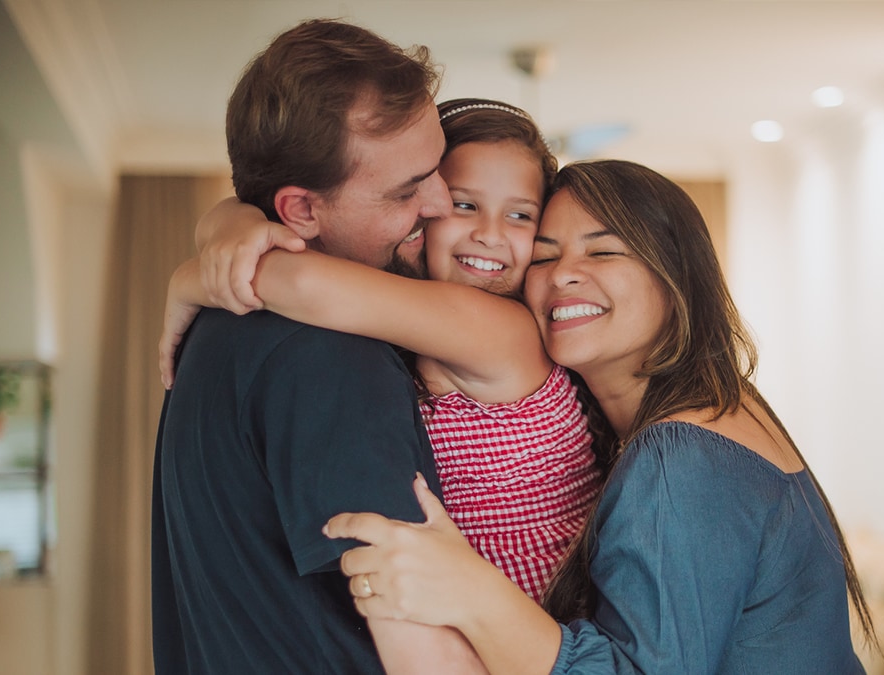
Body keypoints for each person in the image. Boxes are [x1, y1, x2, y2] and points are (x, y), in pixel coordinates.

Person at [324, 160, 876, 673]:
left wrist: (469, 588)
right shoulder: (722, 408)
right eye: (544, 256)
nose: (563, 275)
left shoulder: (682, 454)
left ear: (675, 274)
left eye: (603, 252)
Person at [159, 99, 603, 602]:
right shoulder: (411, 329)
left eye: (520, 215)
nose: (490, 234)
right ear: (424, 207)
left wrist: (191, 277)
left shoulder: (505, 331)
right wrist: (228, 221)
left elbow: (305, 283)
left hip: (541, 632)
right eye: (464, 204)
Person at [151, 19, 485, 674]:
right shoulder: (332, 356)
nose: (443, 204)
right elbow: (426, 651)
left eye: (436, 169)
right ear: (300, 209)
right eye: (406, 189)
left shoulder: (215, 329)